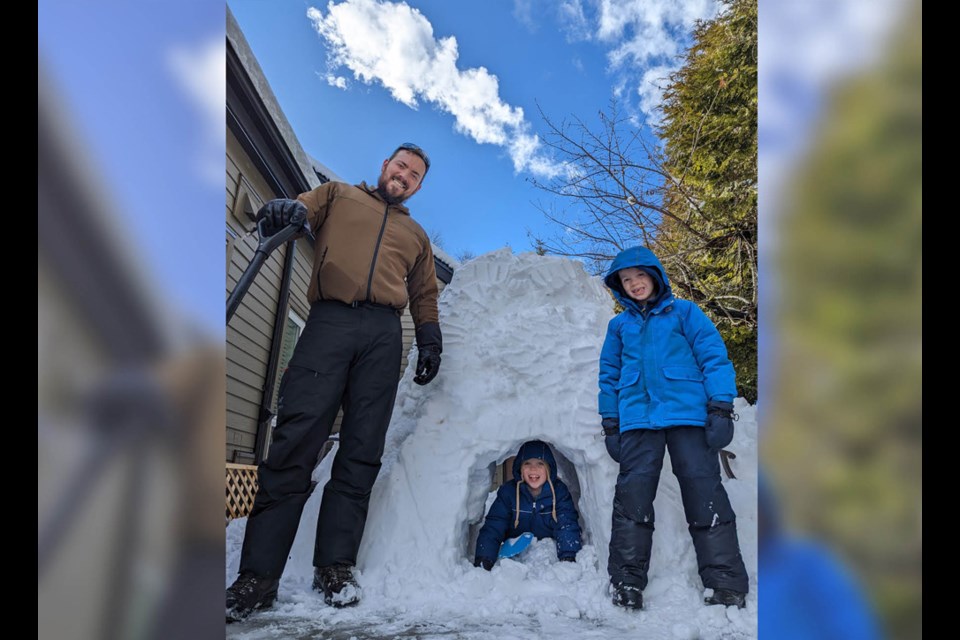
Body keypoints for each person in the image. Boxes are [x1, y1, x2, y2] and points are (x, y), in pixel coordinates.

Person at [227, 144, 443, 622]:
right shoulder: (339, 195)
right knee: (295, 441)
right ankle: (257, 578)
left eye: (414, 175)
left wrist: (429, 340)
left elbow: (425, 293)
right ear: (385, 165)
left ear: (419, 187)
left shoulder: (416, 235)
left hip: (384, 336)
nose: (404, 176)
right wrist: (287, 209)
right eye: (400, 166)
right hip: (329, 322)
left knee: (362, 450)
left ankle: (335, 567)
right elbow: (301, 208)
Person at [598, 246, 748, 611]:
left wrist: (721, 407)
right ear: (620, 287)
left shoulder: (685, 312)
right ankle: (627, 583)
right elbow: (609, 376)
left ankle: (725, 582)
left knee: (704, 493)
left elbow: (714, 357)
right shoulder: (618, 327)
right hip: (638, 418)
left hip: (688, 416)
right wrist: (610, 422)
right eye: (626, 280)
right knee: (632, 501)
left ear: (655, 276)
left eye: (640, 276)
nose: (634, 284)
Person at [474, 440, 582, 569]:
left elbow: (567, 524)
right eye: (527, 463)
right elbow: (494, 526)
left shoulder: (559, 493)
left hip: (548, 563)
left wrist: (568, 556)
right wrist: (485, 557)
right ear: (520, 468)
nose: (533, 469)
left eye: (540, 463)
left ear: (549, 468)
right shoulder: (509, 492)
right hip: (514, 562)